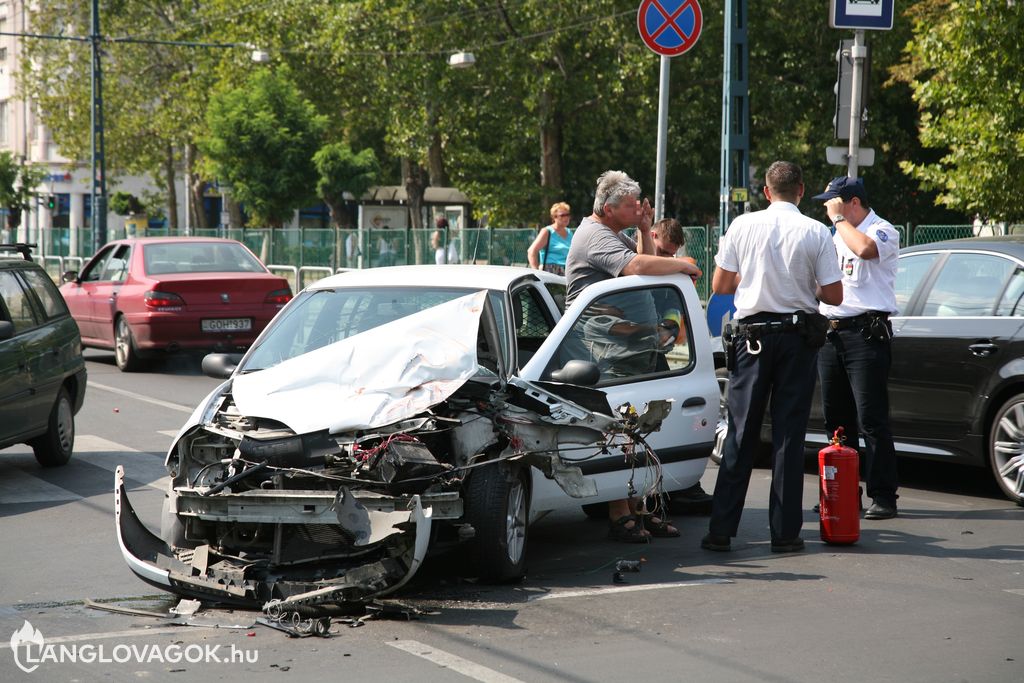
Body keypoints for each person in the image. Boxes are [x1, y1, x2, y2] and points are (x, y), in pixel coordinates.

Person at [701, 161, 844, 554]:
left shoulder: (742, 225)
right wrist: (802, 284)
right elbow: (834, 296)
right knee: (788, 435)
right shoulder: (816, 230)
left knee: (742, 431)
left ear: (766, 192)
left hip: (752, 342)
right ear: (801, 190)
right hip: (797, 340)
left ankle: (721, 531)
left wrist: (757, 277)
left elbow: (721, 285)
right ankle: (785, 533)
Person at [565, 170, 702, 542]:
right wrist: (684, 265)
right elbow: (638, 267)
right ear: (608, 209)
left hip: (635, 346)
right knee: (622, 431)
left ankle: (641, 506)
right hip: (611, 348)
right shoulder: (595, 235)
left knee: (643, 429)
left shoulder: (614, 233)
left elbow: (643, 257)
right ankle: (620, 513)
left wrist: (643, 228)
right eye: (631, 205)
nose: (639, 208)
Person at [812, 176, 900, 520]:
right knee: (836, 422)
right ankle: (844, 492)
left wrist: (838, 219)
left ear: (852, 202)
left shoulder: (882, 229)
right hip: (832, 333)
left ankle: (883, 494)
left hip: (866, 334)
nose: (827, 208)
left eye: (832, 202)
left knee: (872, 419)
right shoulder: (836, 234)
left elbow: (865, 250)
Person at [648, 218, 715, 512]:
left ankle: (681, 486)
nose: (666, 260)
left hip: (658, 347)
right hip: (639, 350)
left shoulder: (673, 266)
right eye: (662, 252)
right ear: (651, 237)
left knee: (665, 420)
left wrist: (676, 264)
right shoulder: (637, 261)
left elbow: (691, 264)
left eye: (671, 254)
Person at [527, 202, 574, 275]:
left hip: (568, 271)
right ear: (554, 217)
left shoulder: (569, 232)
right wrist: (536, 273)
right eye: (562, 215)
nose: (566, 218)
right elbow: (531, 251)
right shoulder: (547, 231)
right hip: (550, 271)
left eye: (567, 215)